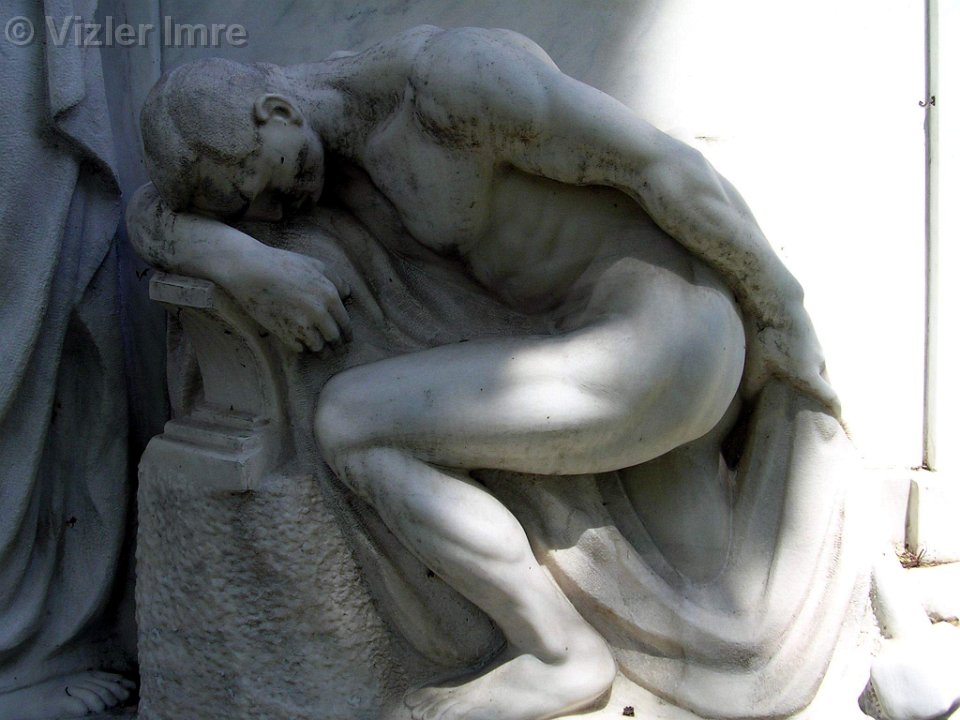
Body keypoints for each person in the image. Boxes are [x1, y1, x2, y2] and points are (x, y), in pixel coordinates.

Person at [128, 26, 835, 720]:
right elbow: (151, 214)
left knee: (352, 422)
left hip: (663, 341)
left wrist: (785, 317)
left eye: (259, 189)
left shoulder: (455, 83)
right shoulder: (326, 143)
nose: (268, 216)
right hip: (593, 344)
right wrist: (240, 260)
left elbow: (667, 169)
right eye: (245, 212)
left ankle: (559, 654)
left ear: (276, 112)